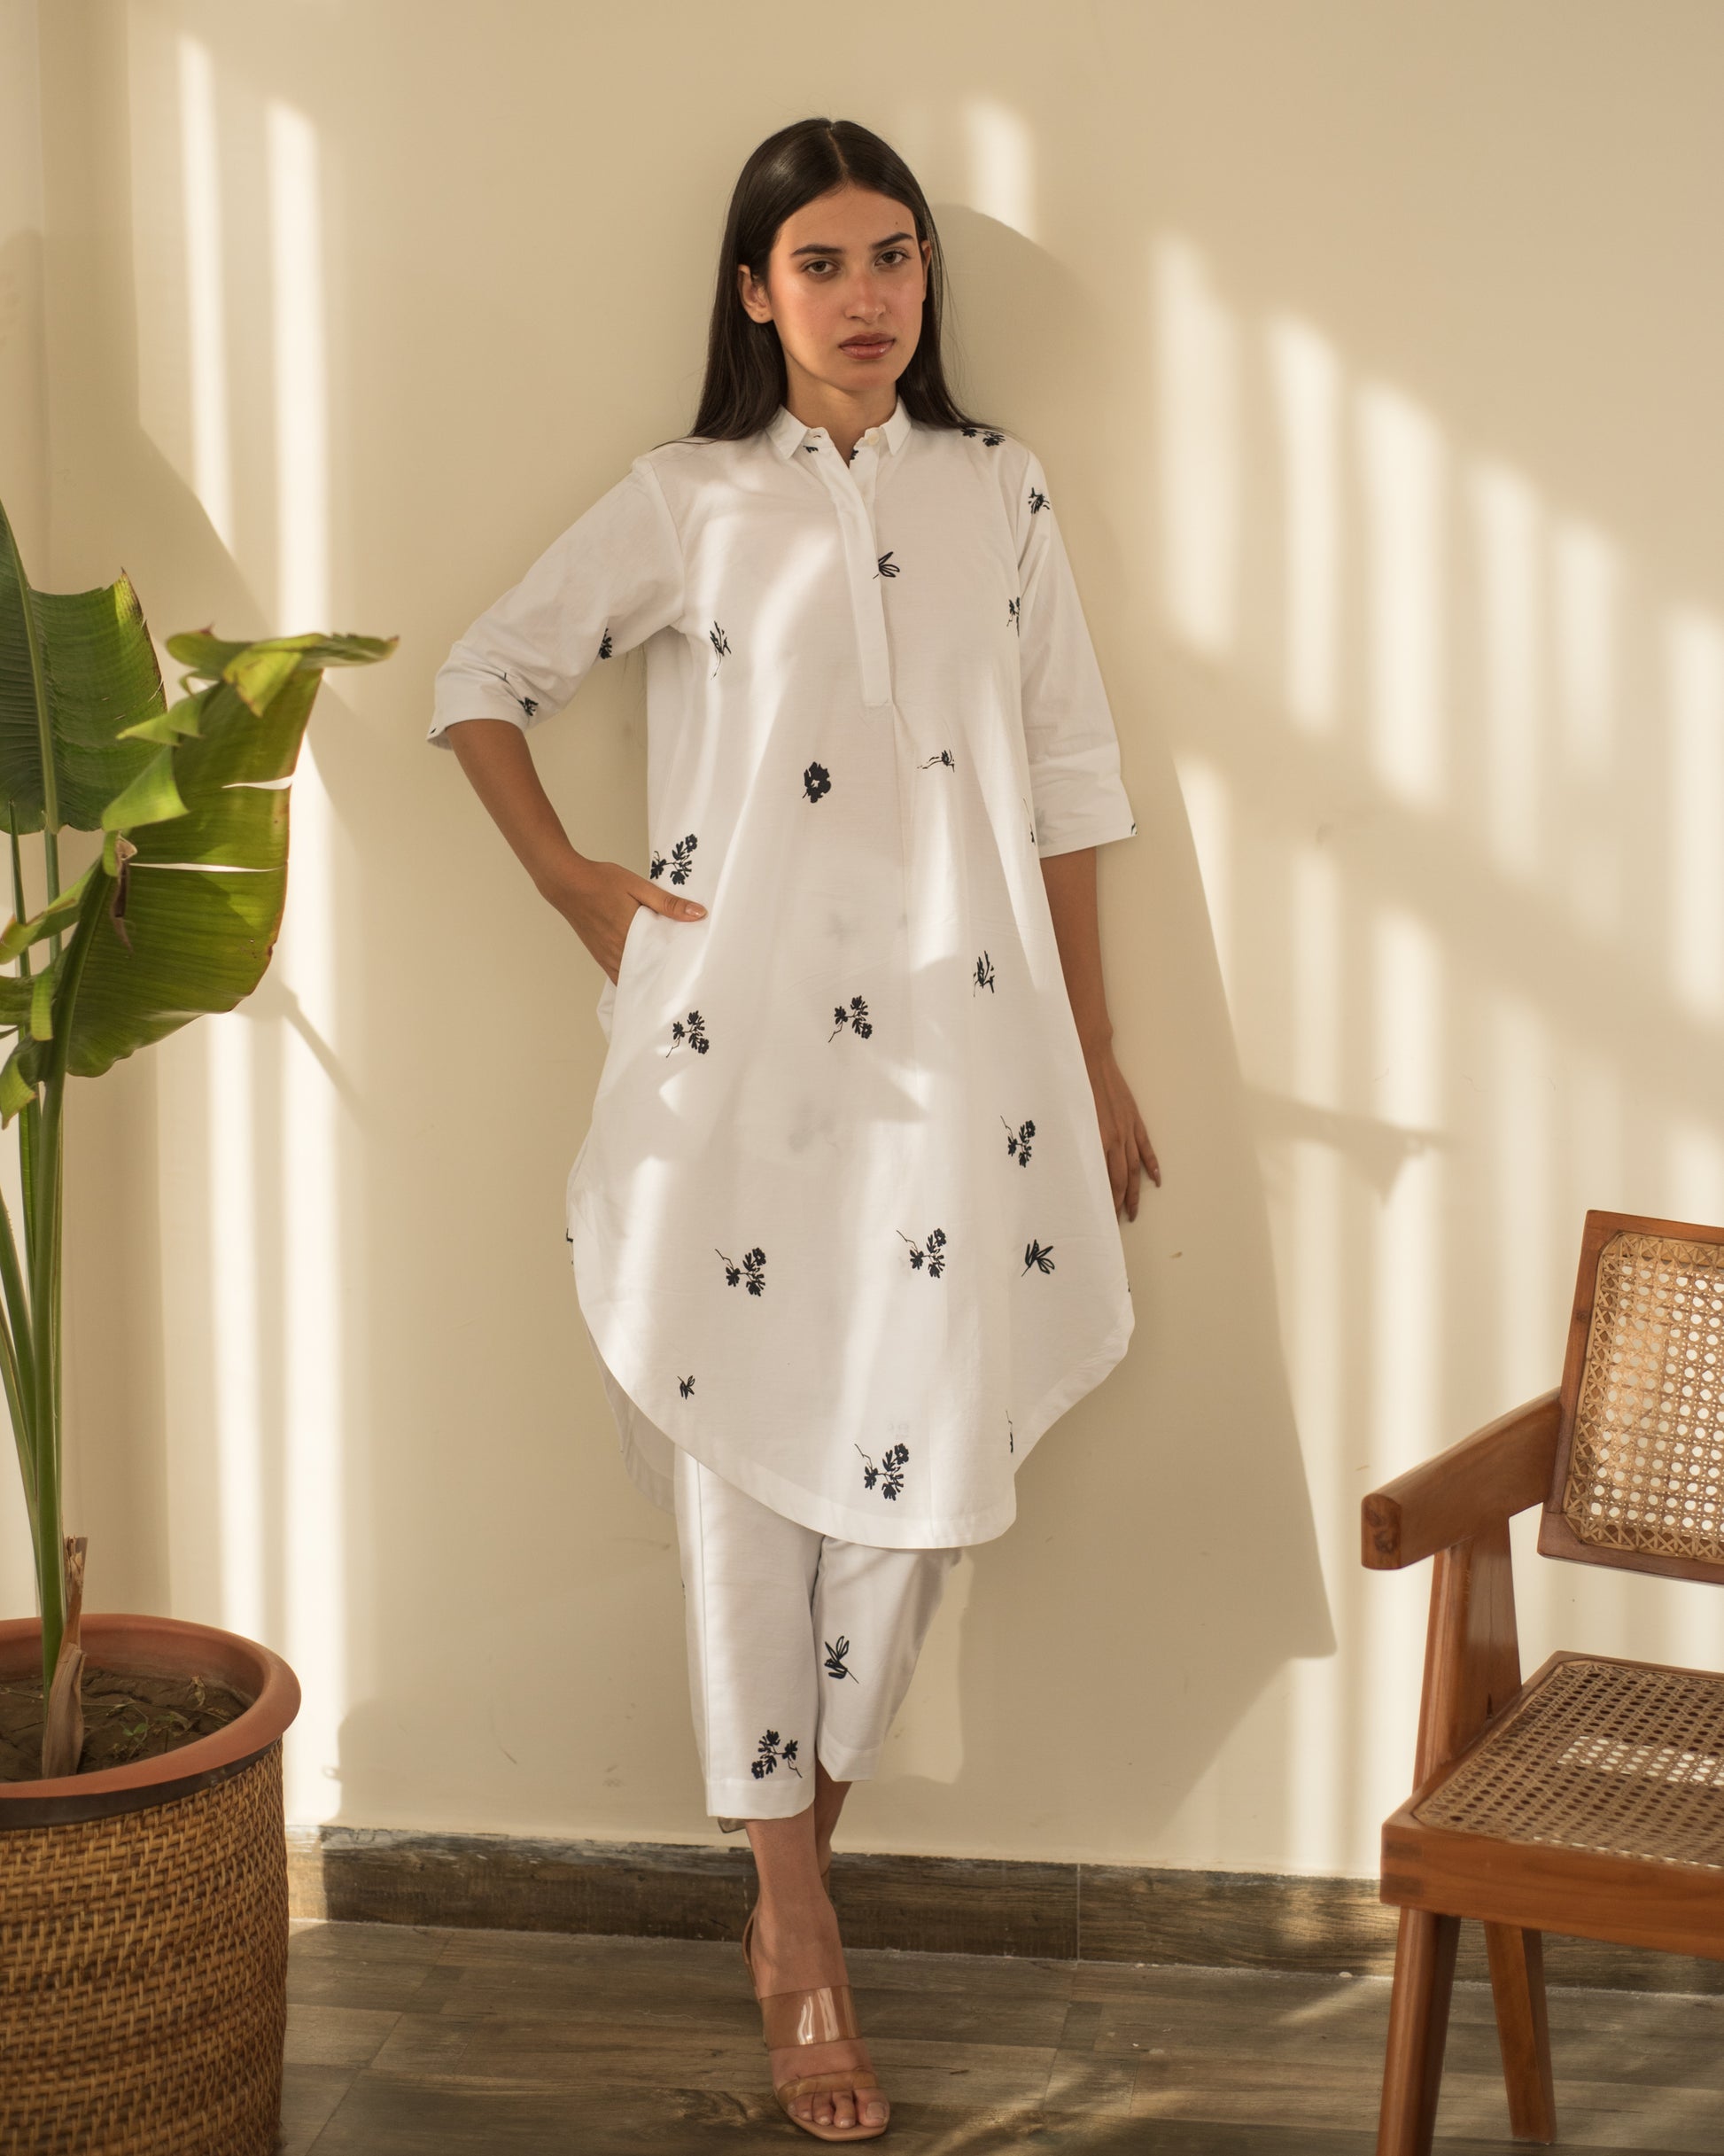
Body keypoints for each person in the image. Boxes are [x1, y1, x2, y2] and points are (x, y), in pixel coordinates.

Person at [430, 115, 1158, 2144]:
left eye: (893, 256)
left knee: (918, 1493)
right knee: (743, 1475)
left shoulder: (999, 491)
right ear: (754, 291)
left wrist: (1095, 1056)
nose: (865, 296)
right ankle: (798, 1921)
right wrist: (576, 884)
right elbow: (479, 676)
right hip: (732, 1068)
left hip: (962, 1069)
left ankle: (787, 1867)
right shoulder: (691, 500)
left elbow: (1070, 780)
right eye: (820, 262)